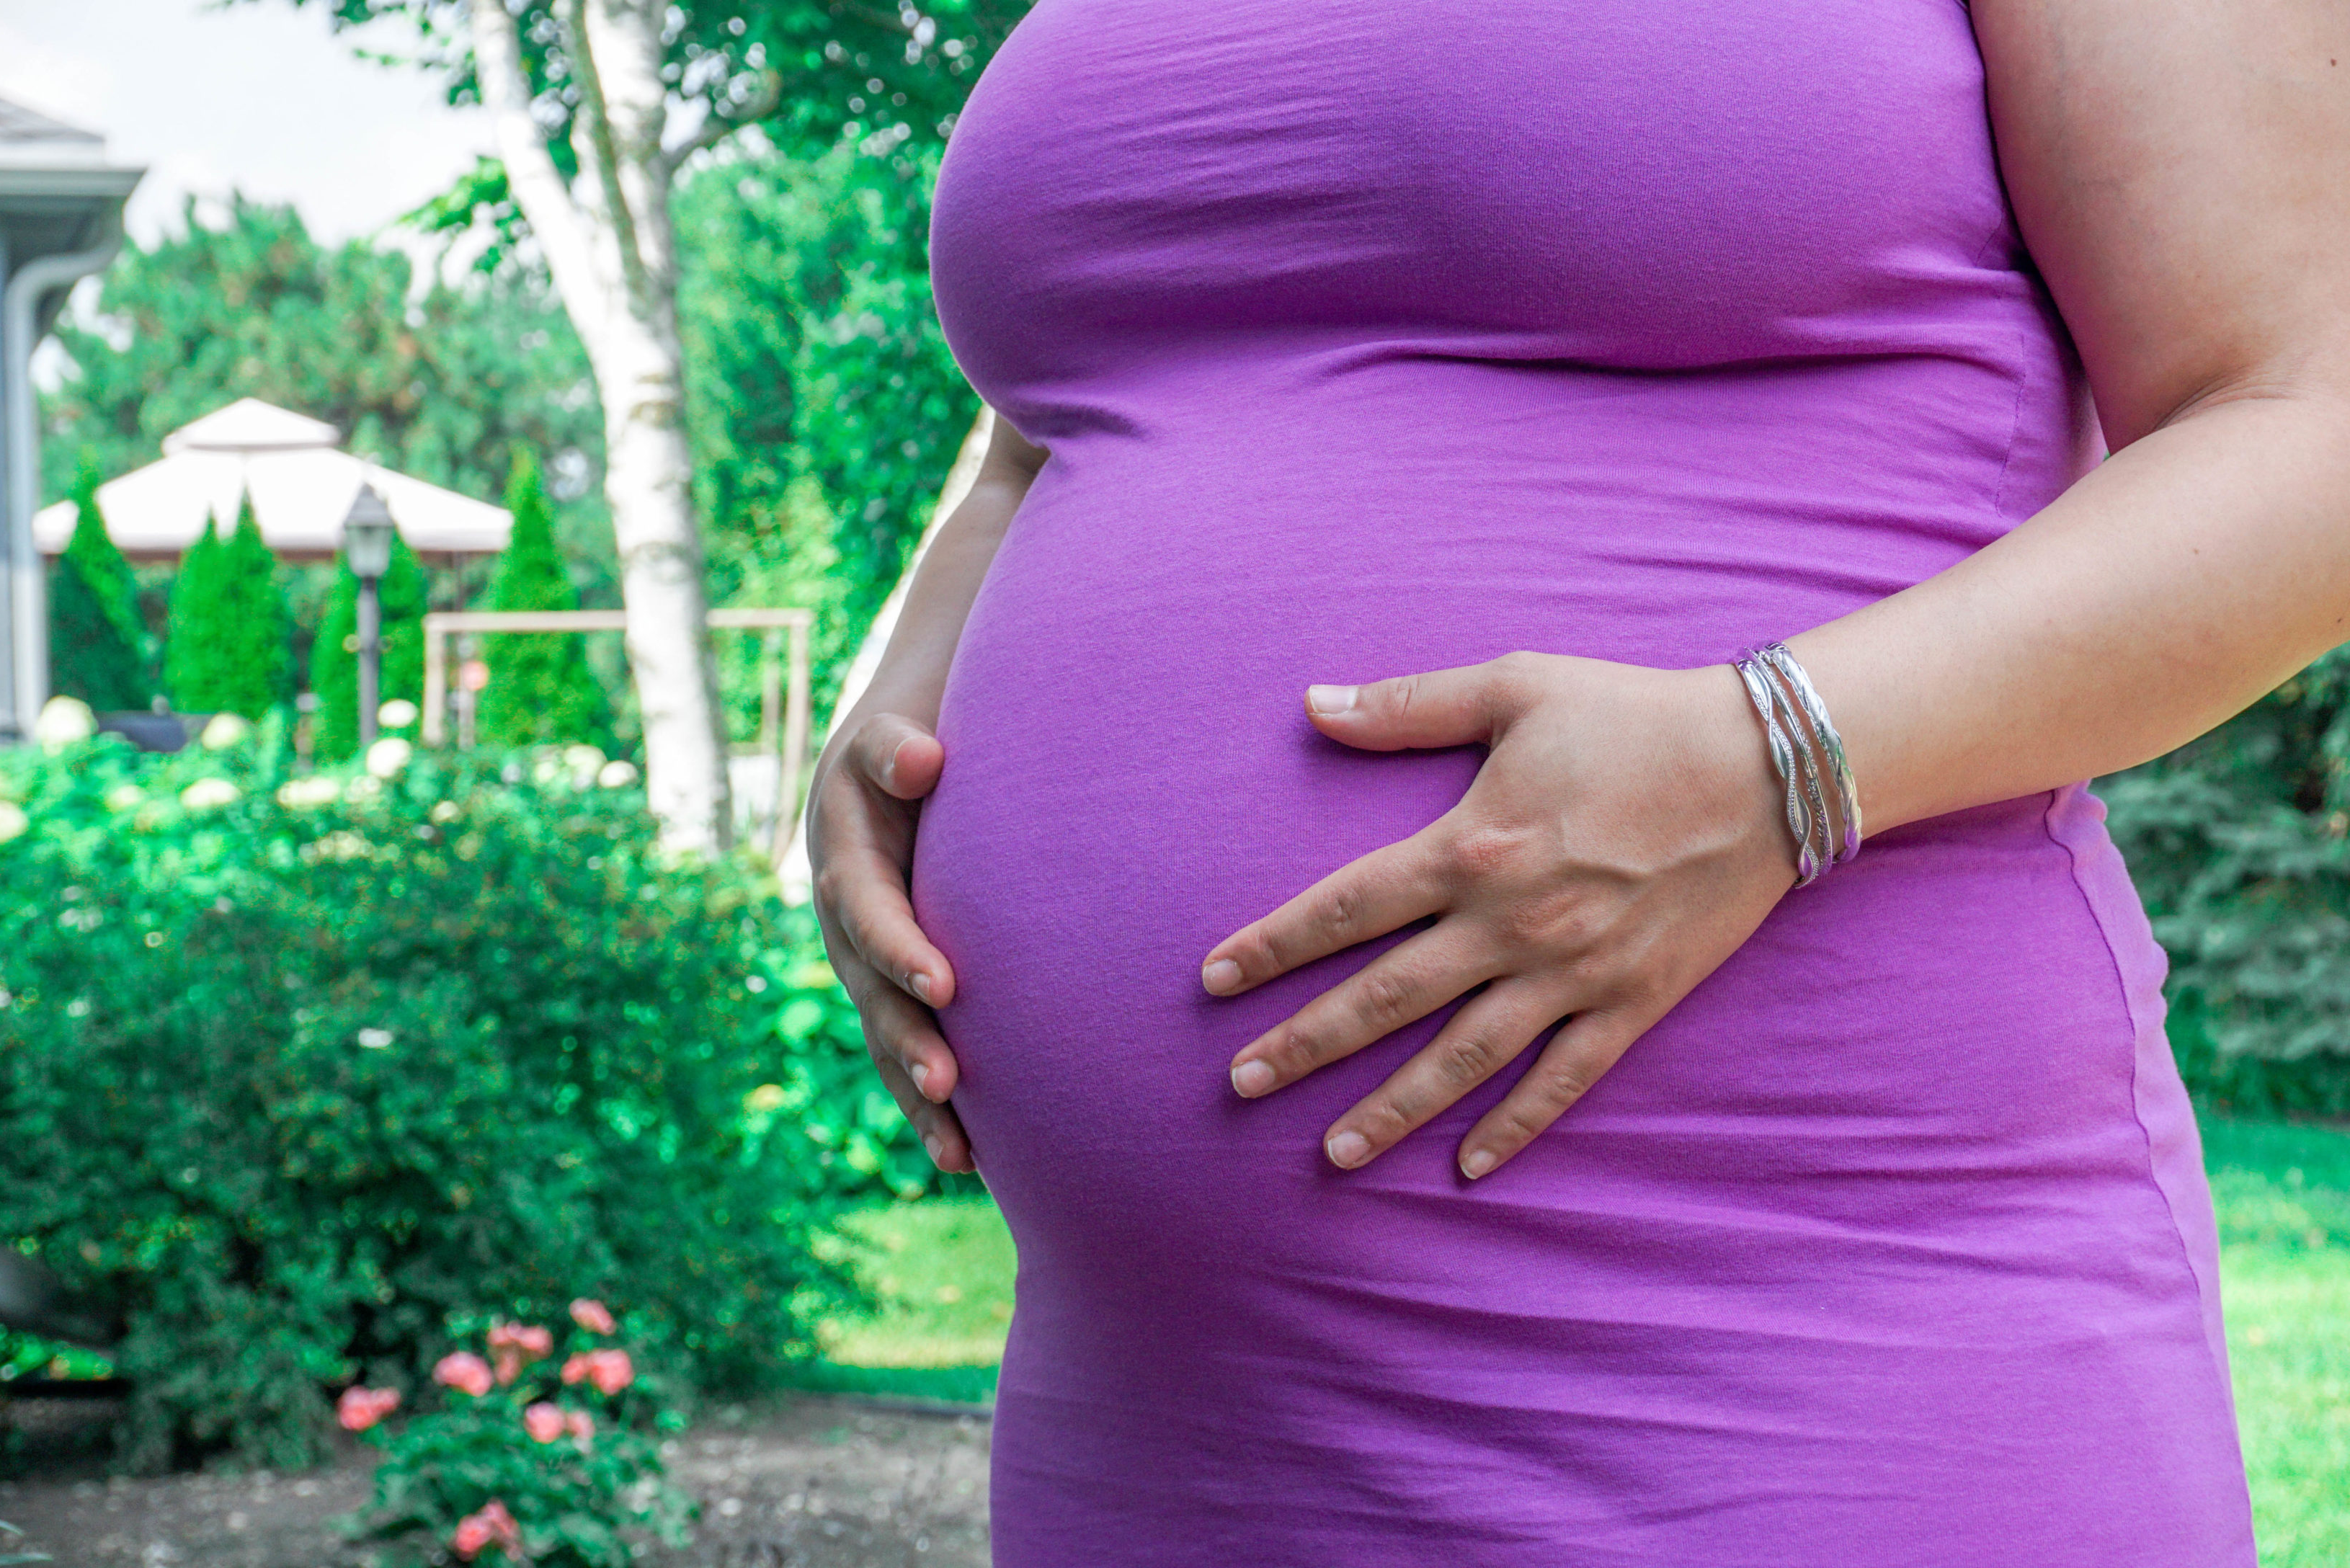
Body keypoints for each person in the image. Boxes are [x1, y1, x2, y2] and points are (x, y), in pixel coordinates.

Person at [809, 1, 2349, 1561]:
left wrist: (1779, 754)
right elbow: (1063, 408)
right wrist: (903, 703)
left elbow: (2309, 421)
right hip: (1163, 1419)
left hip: (1792, 1326)